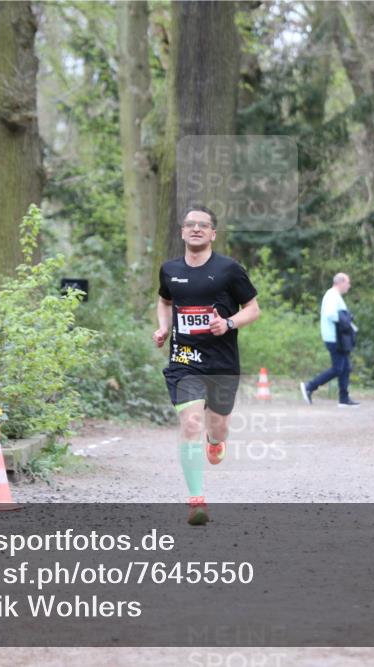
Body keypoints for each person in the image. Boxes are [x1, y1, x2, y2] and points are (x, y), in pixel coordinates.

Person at [153, 206, 261, 525]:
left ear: (213, 233)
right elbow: (165, 300)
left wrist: (227, 323)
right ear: (183, 232)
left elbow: (253, 309)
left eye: (204, 225)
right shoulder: (169, 270)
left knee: (218, 427)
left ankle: (216, 443)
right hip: (184, 360)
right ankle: (196, 500)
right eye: (191, 224)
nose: (196, 229)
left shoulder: (229, 270)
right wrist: (163, 327)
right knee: (190, 424)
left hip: (222, 363)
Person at [300, 273, 359, 407]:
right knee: (338, 368)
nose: (349, 286)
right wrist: (347, 322)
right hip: (334, 338)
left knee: (345, 368)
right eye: (348, 283)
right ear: (341, 282)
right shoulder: (332, 295)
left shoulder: (334, 296)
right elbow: (331, 314)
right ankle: (310, 386)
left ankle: (344, 399)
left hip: (337, 338)